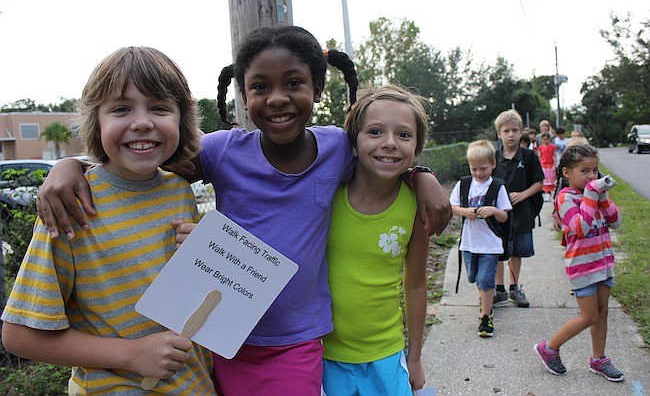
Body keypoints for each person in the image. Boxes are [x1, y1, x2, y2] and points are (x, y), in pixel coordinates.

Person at [36, 26, 452, 396]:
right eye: (260, 86)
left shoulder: (337, 148)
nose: (277, 98)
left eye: (294, 83)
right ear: (243, 95)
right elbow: (142, 157)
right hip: (219, 336)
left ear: (317, 90)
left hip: (296, 339)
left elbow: (382, 158)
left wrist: (422, 176)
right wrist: (71, 165)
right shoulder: (221, 151)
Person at [1, 47, 217, 395]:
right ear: (95, 121)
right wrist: (131, 354)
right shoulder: (71, 203)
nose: (143, 122)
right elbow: (19, 335)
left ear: (182, 119)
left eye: (160, 108)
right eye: (120, 109)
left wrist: (204, 259)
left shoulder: (179, 191)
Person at [322, 84, 432, 395]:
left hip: (387, 354)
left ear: (416, 148)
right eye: (375, 132)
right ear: (353, 144)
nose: (390, 143)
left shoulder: (417, 206)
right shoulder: (326, 195)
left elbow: (416, 284)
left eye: (404, 134)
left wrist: (415, 358)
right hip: (323, 355)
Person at [534, 145, 624, 382]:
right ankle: (549, 348)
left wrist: (602, 196)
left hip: (604, 263)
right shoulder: (565, 198)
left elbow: (616, 221)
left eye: (595, 170)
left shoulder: (594, 194)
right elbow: (581, 228)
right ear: (567, 173)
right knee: (589, 316)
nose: (592, 176)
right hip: (583, 267)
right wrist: (592, 194)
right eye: (585, 171)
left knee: (602, 313)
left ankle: (599, 359)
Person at [450, 140, 512, 337]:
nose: (478, 173)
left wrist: (493, 210)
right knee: (474, 278)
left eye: (483, 168)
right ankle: (485, 299)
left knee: (485, 280)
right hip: (469, 243)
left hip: (490, 243)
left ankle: (486, 316)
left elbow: (504, 216)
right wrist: (465, 212)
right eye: (474, 169)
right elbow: (452, 206)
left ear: (493, 164)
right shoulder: (464, 184)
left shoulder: (498, 187)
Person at [492, 110, 544, 308]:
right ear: (499, 133)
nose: (511, 135)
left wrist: (523, 195)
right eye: (506, 131)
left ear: (521, 132)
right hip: (498, 213)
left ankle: (514, 287)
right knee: (497, 250)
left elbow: (539, 183)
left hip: (522, 211)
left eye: (515, 130)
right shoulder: (494, 157)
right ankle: (499, 290)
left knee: (517, 251)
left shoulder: (529, 156)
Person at [538, 132, 557, 202]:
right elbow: (540, 157)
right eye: (544, 139)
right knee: (545, 180)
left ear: (549, 139)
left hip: (550, 165)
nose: (545, 141)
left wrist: (554, 165)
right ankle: (547, 194)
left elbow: (554, 156)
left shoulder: (553, 147)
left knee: (551, 180)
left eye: (547, 139)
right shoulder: (541, 147)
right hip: (544, 165)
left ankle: (552, 194)